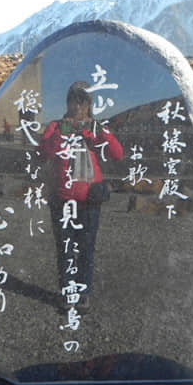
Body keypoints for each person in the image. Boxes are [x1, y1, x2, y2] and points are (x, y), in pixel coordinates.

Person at [40, 82, 123, 303]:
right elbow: (44, 152)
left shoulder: (96, 127)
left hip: (90, 199)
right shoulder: (56, 126)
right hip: (62, 199)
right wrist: (63, 133)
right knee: (65, 249)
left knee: (87, 250)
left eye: (82, 102)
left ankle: (83, 293)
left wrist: (94, 131)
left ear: (89, 104)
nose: (77, 107)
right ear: (67, 103)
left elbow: (117, 153)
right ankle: (68, 292)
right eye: (73, 101)